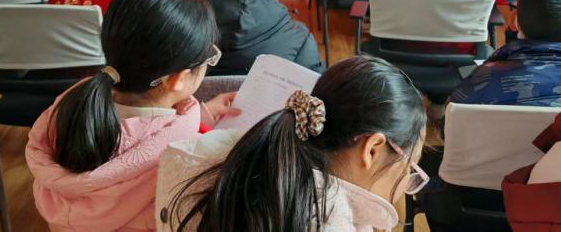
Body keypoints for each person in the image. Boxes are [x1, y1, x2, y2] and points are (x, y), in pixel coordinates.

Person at [26, 0, 240, 231]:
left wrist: (202, 115)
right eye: (209, 57)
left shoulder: (72, 104)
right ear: (178, 79)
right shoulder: (189, 160)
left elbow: (134, 135)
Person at [162, 56, 428, 231]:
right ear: (372, 149)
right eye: (410, 169)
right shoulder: (328, 221)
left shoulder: (204, 158)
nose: (407, 183)